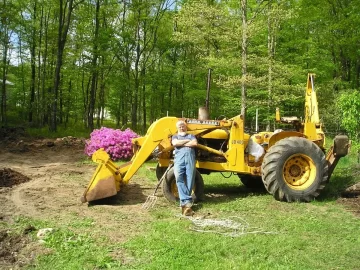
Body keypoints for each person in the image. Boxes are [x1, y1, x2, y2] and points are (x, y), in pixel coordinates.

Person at [172, 120, 198, 216]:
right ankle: (187, 201)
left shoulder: (191, 136)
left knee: (190, 179)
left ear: (186, 127)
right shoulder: (175, 136)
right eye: (180, 126)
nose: (182, 128)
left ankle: (184, 202)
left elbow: (195, 143)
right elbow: (175, 143)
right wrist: (187, 142)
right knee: (178, 177)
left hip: (190, 158)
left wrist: (182, 143)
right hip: (179, 159)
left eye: (183, 126)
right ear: (177, 128)